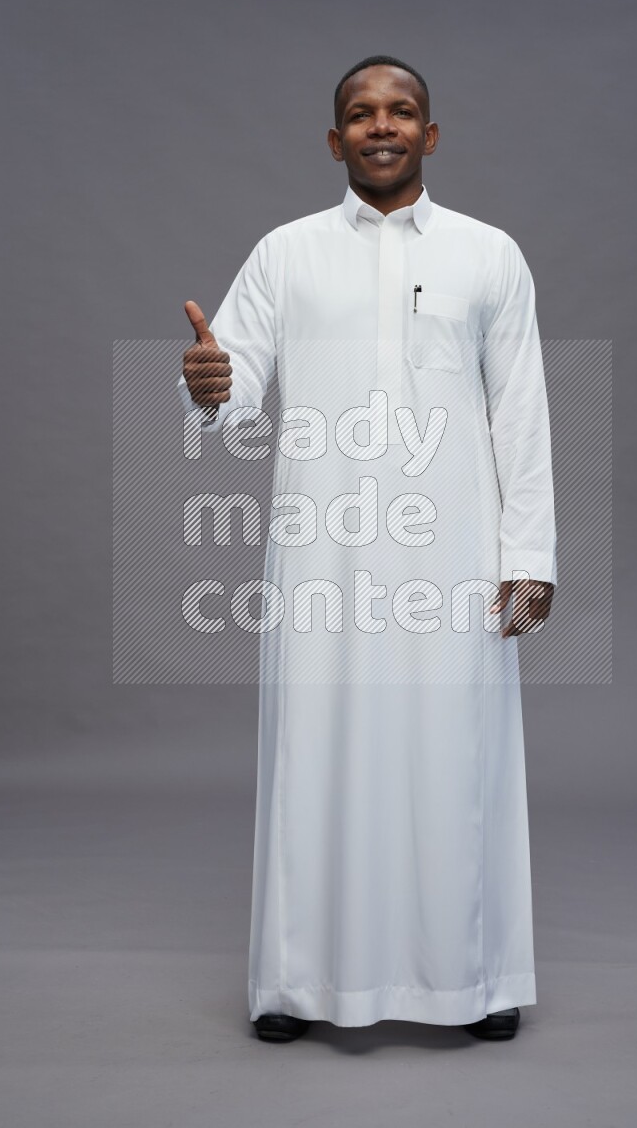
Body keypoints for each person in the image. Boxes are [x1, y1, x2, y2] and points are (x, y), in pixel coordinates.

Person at [179, 55, 557, 1043]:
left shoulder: (488, 255)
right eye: (358, 113)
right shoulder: (285, 254)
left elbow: (519, 413)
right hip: (325, 555)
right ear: (333, 138)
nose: (379, 125)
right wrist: (209, 386)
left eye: (400, 112)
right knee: (317, 752)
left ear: (429, 135)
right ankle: (296, 986)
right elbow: (234, 387)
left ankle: (472, 981)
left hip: (456, 556)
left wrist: (531, 552)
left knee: (454, 757)